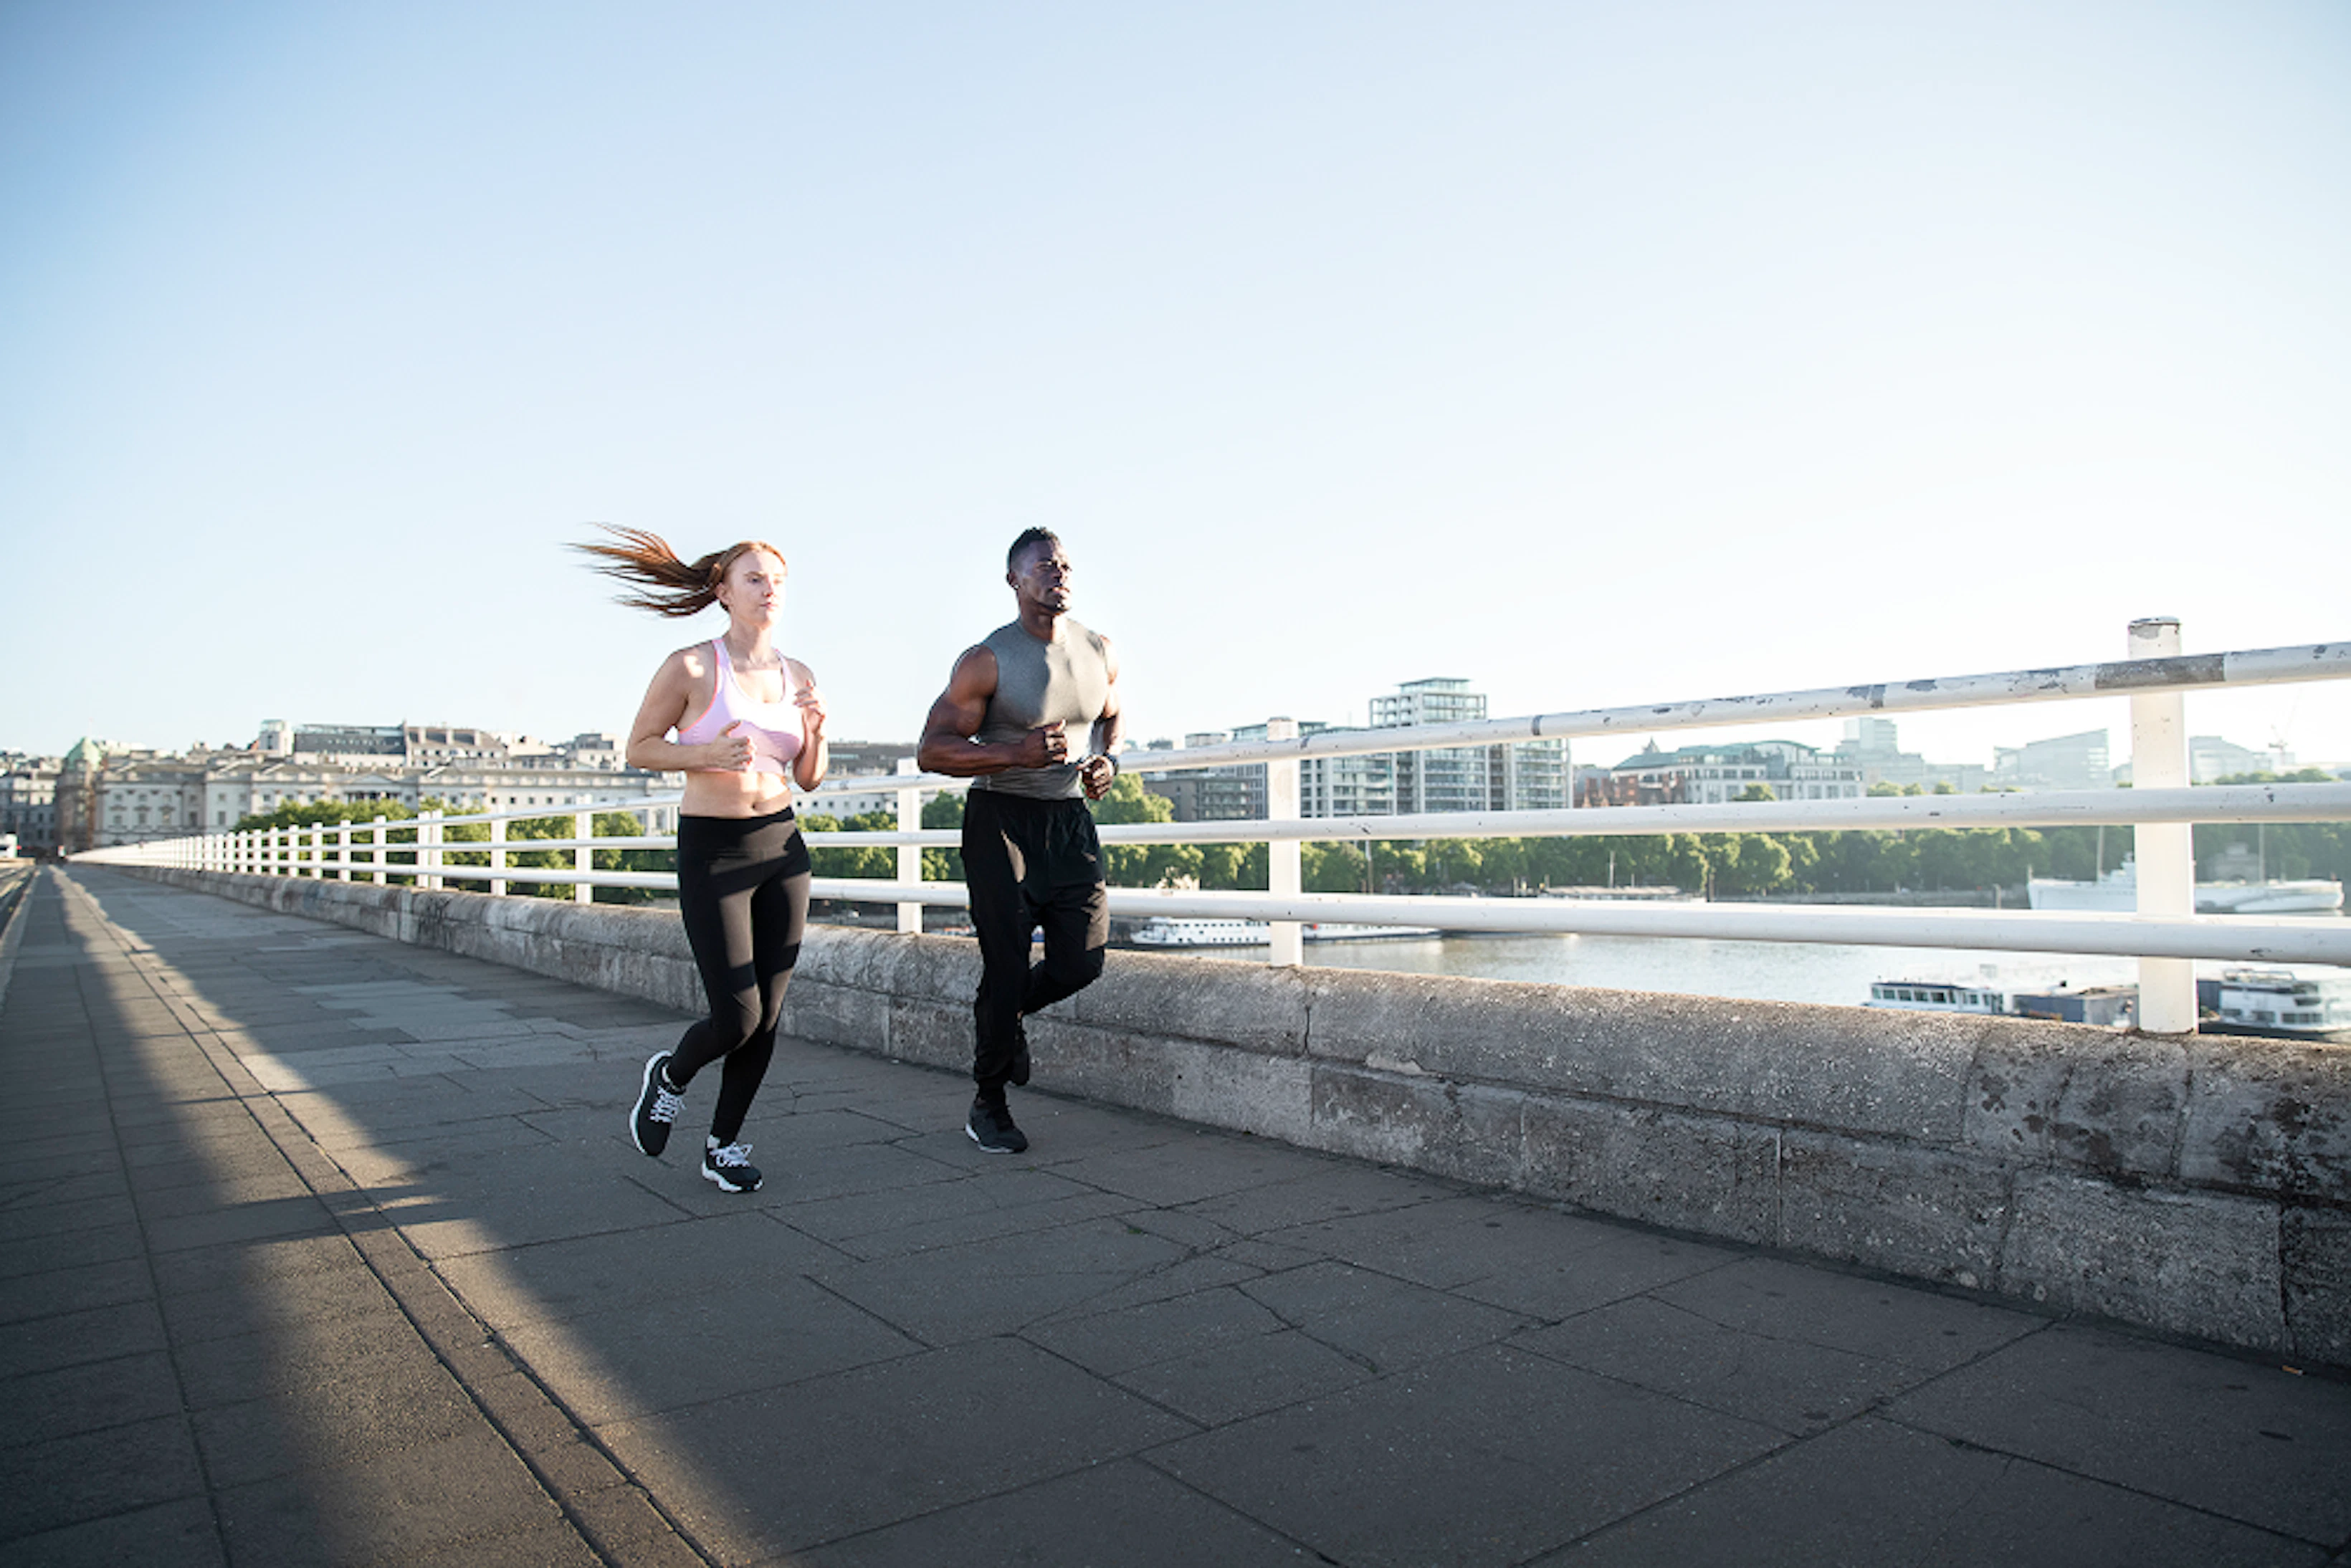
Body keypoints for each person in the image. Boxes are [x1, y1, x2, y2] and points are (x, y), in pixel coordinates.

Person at [578, 526, 829, 1193]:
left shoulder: (800, 675)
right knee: (737, 1015)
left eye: (778, 580)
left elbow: (810, 777)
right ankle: (671, 1076)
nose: (769, 590)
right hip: (714, 849)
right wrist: (706, 754)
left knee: (768, 1017)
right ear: (723, 592)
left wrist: (817, 730)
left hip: (782, 848)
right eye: (755, 578)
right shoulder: (691, 667)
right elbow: (639, 747)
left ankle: (724, 1146)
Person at [917, 527, 1121, 1153]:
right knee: (1005, 966)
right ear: (1015, 580)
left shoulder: (1099, 650)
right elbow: (932, 750)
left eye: (1064, 565)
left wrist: (1107, 761)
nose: (1059, 573)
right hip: (1000, 821)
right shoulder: (987, 660)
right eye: (1044, 566)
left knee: (1081, 962)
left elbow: (1110, 715)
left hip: (1068, 822)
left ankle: (1006, 1020)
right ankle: (989, 1102)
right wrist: (1015, 753)